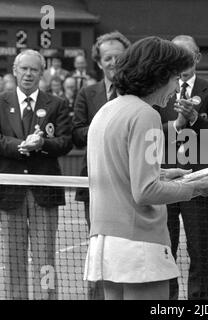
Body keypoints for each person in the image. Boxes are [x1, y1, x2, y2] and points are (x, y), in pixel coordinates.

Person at [83, 36, 208, 300]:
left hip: (105, 242)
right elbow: (145, 191)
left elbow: (118, 174)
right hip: (138, 244)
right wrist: (197, 188)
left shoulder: (106, 110)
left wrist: (163, 174)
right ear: (158, 75)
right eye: (174, 77)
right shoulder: (145, 114)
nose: (176, 86)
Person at [154, 35, 208, 300]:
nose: (183, 61)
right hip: (165, 180)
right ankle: (168, 299)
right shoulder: (161, 89)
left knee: (198, 250)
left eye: (188, 55)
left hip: (198, 181)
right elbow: (151, 130)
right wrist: (176, 125)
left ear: (197, 58)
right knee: (165, 248)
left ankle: (199, 301)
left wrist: (194, 119)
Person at [0, 49, 72, 299]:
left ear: (42, 73)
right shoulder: (1, 102)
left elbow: (65, 142)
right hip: (10, 193)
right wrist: (20, 146)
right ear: (15, 71)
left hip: (44, 192)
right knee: (12, 257)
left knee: (45, 257)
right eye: (24, 69)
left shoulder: (58, 104)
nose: (28, 74)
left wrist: (42, 145)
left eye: (34, 69)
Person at [72, 31, 130, 300]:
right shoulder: (87, 94)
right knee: (98, 250)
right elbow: (77, 132)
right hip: (95, 185)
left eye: (119, 56)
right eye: (107, 57)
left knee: (126, 252)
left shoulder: (137, 93)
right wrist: (104, 130)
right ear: (99, 62)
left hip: (131, 185)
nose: (113, 62)